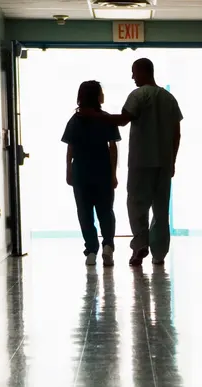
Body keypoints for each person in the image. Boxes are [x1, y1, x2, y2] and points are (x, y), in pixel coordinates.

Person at [81, 58, 182, 267]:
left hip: (141, 160)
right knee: (161, 209)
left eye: (134, 73)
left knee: (137, 205)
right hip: (163, 163)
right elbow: (176, 133)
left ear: (143, 72)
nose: (132, 77)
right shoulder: (169, 98)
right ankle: (159, 254)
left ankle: (140, 246)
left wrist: (95, 114)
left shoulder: (138, 95)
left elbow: (123, 120)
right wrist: (173, 160)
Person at [62, 80, 121, 266]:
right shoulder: (106, 119)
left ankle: (91, 251)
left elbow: (70, 148)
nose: (103, 95)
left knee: (84, 213)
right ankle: (108, 246)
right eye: (101, 92)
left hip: (81, 172)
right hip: (102, 171)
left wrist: (68, 170)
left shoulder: (75, 120)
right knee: (106, 211)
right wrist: (113, 173)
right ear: (96, 96)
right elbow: (112, 148)